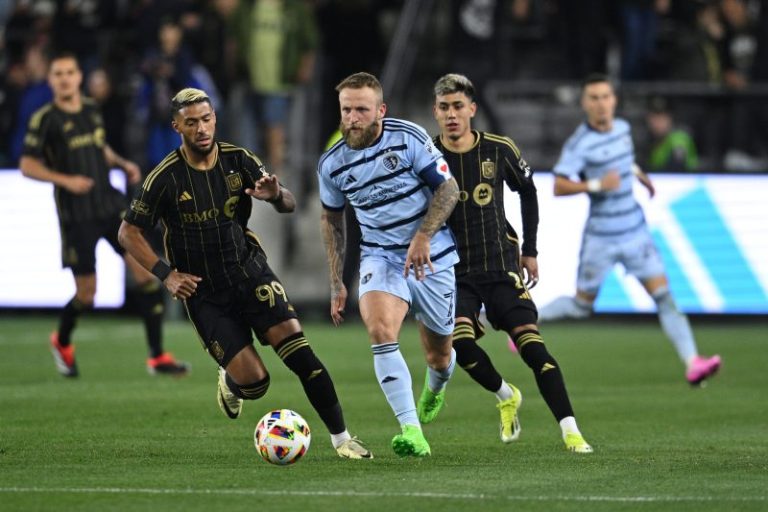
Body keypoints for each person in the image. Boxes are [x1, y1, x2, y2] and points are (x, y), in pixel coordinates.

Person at [117, 87, 371, 460]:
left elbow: (289, 203)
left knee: (302, 355)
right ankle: (233, 382)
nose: (201, 128)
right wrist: (166, 274)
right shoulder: (165, 179)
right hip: (204, 293)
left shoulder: (239, 160)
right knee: (257, 384)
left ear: (215, 118)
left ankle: (342, 439)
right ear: (177, 127)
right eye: (191, 123)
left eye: (206, 120)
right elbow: (129, 232)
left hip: (250, 274)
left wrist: (275, 195)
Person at [430, 73, 592, 453]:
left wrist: (530, 250)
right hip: (455, 272)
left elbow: (529, 193)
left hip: (500, 265)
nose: (451, 114)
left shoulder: (499, 149)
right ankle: (506, 394)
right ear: (435, 112)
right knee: (462, 348)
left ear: (472, 109)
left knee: (534, 350)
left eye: (458, 106)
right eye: (443, 107)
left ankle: (571, 431)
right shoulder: (427, 154)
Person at [538, 73, 722, 386]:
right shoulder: (579, 144)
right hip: (601, 238)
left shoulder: (623, 129)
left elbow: (625, 160)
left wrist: (640, 174)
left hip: (635, 231)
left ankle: (693, 362)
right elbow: (558, 185)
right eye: (593, 98)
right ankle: (528, 322)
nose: (601, 104)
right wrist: (596, 184)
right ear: (585, 104)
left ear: (614, 100)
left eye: (605, 97)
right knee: (582, 307)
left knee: (665, 297)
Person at [19, 51, 188, 378]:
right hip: (76, 214)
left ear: (79, 77)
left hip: (110, 206)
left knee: (145, 272)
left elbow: (99, 148)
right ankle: (62, 341)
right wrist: (65, 180)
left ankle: (157, 356)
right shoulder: (45, 119)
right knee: (87, 293)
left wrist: (121, 162)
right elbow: (27, 165)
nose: (65, 78)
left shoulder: (91, 110)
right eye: (58, 73)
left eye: (70, 72)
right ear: (51, 80)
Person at [318, 72, 459, 457]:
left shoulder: (409, 138)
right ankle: (411, 431)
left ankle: (438, 381)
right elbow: (331, 221)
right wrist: (336, 282)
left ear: (380, 110)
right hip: (380, 256)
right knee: (380, 331)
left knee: (440, 355)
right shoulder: (332, 164)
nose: (352, 118)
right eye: (346, 110)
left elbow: (449, 189)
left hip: (431, 255)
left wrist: (424, 235)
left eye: (361, 109)